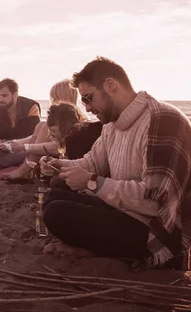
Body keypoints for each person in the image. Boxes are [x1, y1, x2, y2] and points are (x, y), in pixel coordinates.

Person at [41, 57, 190, 268]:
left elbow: (157, 204)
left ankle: (107, 251)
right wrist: (59, 165)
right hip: (125, 211)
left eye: (88, 98)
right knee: (55, 191)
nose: (87, 107)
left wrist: (93, 183)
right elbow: (93, 161)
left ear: (110, 85)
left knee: (56, 213)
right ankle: (97, 249)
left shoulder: (161, 121)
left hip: (156, 230)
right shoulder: (112, 122)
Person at [2, 79, 89, 180]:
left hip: (67, 159)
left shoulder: (74, 121)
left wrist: (24, 147)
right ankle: (26, 166)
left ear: (63, 98)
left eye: (54, 98)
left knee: (44, 127)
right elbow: (37, 138)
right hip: (57, 157)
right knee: (41, 125)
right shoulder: (69, 117)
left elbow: (57, 146)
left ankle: (25, 169)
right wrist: (16, 142)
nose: (52, 101)